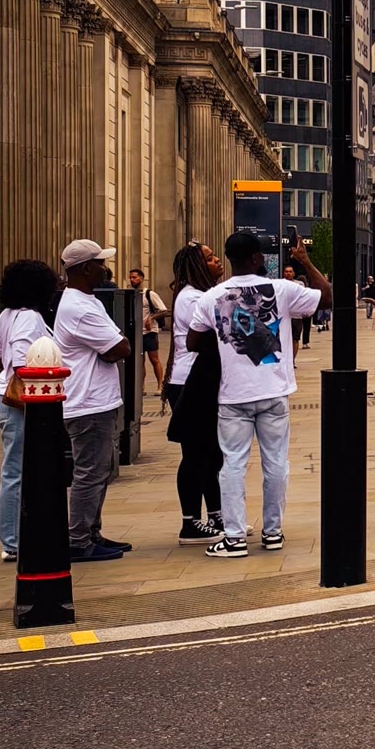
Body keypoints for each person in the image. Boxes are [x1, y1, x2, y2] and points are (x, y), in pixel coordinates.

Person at [190, 228, 330, 557]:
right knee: (276, 463)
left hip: (233, 395)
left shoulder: (210, 297)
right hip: (273, 392)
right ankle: (272, 532)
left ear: (229, 258)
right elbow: (327, 297)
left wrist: (227, 337)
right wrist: (305, 261)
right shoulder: (281, 289)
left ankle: (235, 538)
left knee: (233, 465)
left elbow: (192, 341)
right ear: (256, 258)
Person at [0, 258, 60, 563]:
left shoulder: (8, 314)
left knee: (18, 469)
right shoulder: (28, 317)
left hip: (2, 397)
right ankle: (12, 541)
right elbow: (28, 359)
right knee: (16, 471)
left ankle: (20, 534)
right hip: (20, 403)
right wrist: (16, 371)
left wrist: (5, 369)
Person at [55, 240, 130, 563]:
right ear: (85, 268)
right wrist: (113, 348)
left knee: (100, 470)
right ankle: (79, 539)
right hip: (87, 402)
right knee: (89, 472)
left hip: (98, 399)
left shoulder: (88, 300)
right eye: (100, 263)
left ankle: (91, 532)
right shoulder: (79, 307)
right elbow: (121, 348)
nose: (105, 268)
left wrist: (113, 347)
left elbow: (116, 343)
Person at [165, 241, 225, 543]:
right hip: (189, 382)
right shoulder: (192, 299)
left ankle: (216, 515)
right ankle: (190, 523)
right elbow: (215, 334)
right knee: (195, 454)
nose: (217, 261)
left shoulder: (200, 295)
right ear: (197, 266)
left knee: (212, 454)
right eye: (210, 258)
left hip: (202, 380)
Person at [129, 267, 168, 392]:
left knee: (154, 359)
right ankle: (141, 387)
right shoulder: (131, 294)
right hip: (137, 332)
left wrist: (151, 318)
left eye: (134, 277)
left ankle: (160, 385)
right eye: (130, 278)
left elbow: (164, 310)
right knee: (140, 361)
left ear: (141, 278)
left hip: (150, 332)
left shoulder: (149, 294)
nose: (132, 280)